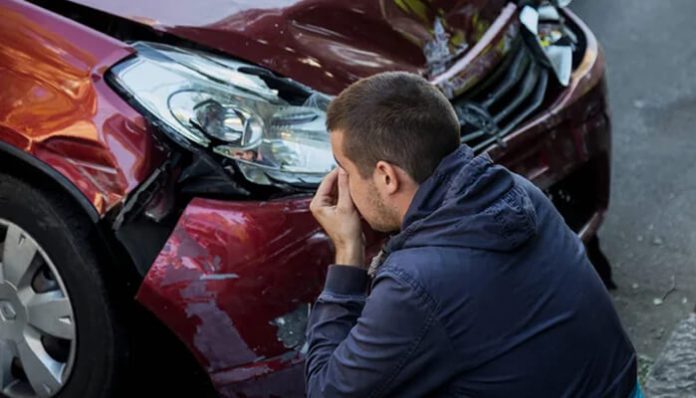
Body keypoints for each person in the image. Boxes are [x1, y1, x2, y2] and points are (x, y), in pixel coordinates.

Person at [306, 72, 639, 397]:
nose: (344, 184)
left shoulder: (415, 284)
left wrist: (347, 254)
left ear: (386, 177)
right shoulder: (513, 189)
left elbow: (327, 390)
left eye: (345, 170)